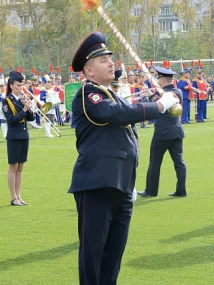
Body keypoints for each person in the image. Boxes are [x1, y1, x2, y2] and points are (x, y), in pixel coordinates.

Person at [68, 32, 179, 285]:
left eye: (110, 57)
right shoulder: (88, 93)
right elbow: (115, 114)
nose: (110, 62)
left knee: (113, 255)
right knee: (93, 255)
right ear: (88, 70)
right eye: (103, 59)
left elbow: (125, 111)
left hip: (121, 184)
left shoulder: (110, 93)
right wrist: (159, 106)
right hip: (97, 183)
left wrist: (163, 99)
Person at [138, 66, 187, 198]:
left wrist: (145, 97)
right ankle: (181, 190)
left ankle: (151, 190)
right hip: (176, 131)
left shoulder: (162, 94)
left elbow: (149, 106)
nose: (157, 81)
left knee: (155, 162)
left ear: (163, 80)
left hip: (162, 134)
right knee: (179, 162)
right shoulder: (178, 92)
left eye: (159, 79)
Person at [2, 71, 34, 206]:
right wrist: (24, 109)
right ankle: (13, 196)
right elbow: (11, 120)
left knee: (20, 167)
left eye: (22, 85)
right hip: (14, 136)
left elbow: (31, 118)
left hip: (24, 135)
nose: (21, 88)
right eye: (18, 85)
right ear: (11, 85)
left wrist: (29, 108)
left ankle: (19, 195)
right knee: (13, 167)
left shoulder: (22, 98)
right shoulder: (7, 101)